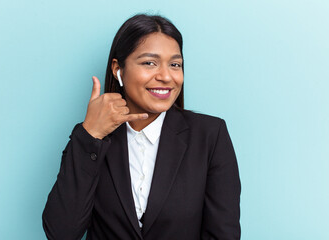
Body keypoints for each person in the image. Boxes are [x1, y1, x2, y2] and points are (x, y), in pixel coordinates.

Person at [42, 14, 241, 240]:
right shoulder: (91, 140)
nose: (166, 76)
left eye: (175, 64)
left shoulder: (210, 136)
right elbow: (61, 233)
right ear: (118, 70)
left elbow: (223, 234)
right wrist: (91, 135)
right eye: (149, 63)